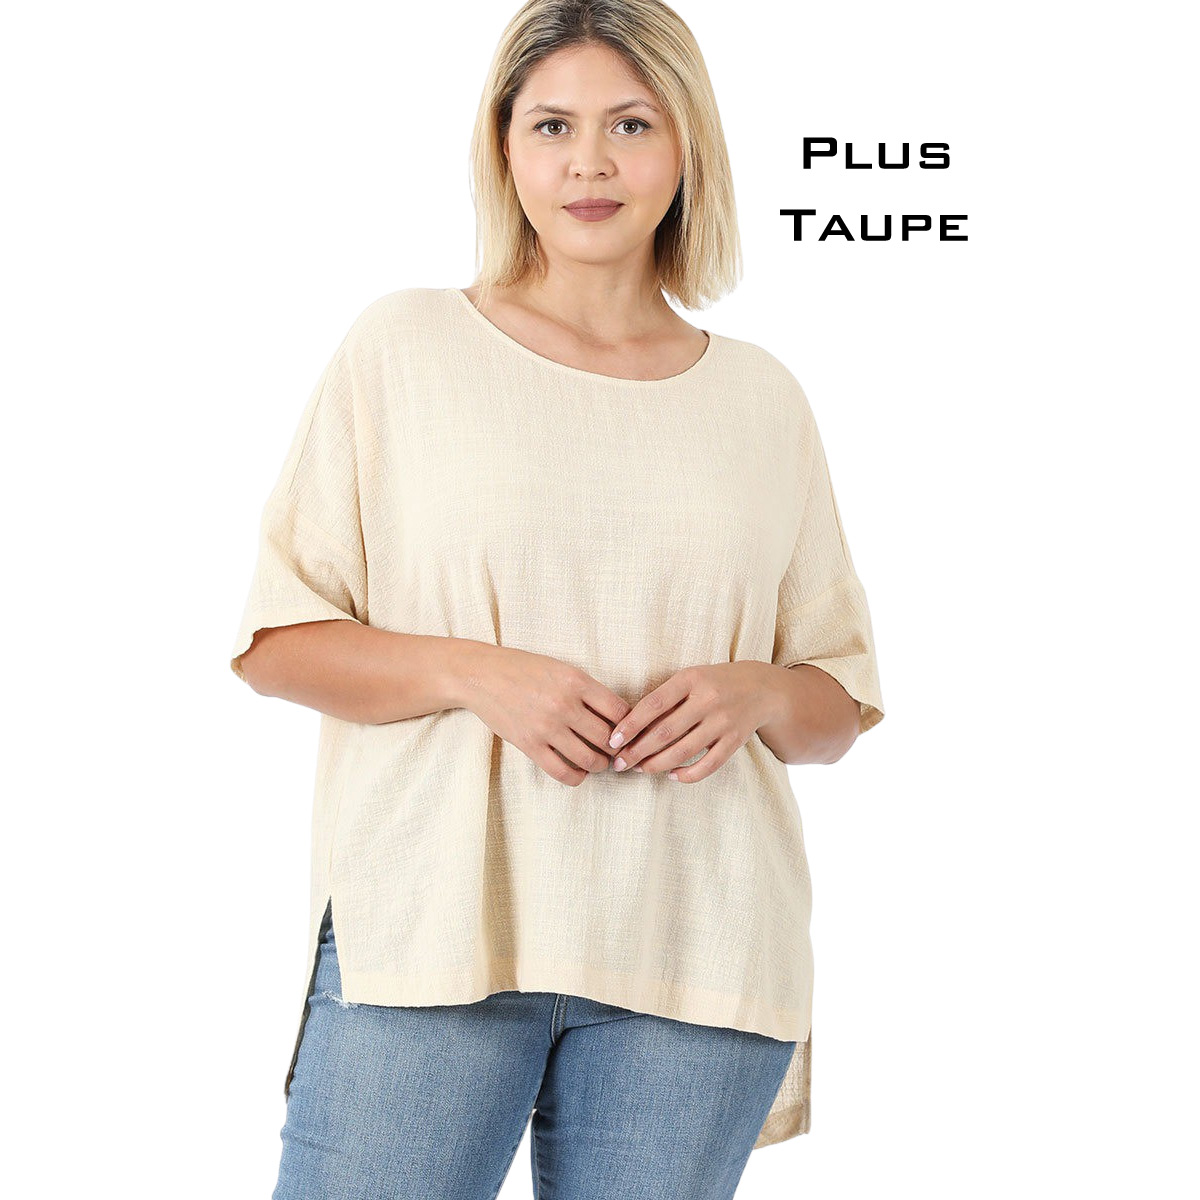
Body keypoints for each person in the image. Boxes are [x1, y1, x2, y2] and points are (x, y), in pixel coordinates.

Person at [229, 1, 886, 1196]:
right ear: (505, 146)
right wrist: (474, 673)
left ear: (687, 146)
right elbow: (278, 641)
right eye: (553, 126)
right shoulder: (405, 347)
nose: (589, 163)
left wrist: (752, 692)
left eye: (630, 124)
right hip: (438, 928)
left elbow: (836, 707)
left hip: (698, 945)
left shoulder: (761, 400)